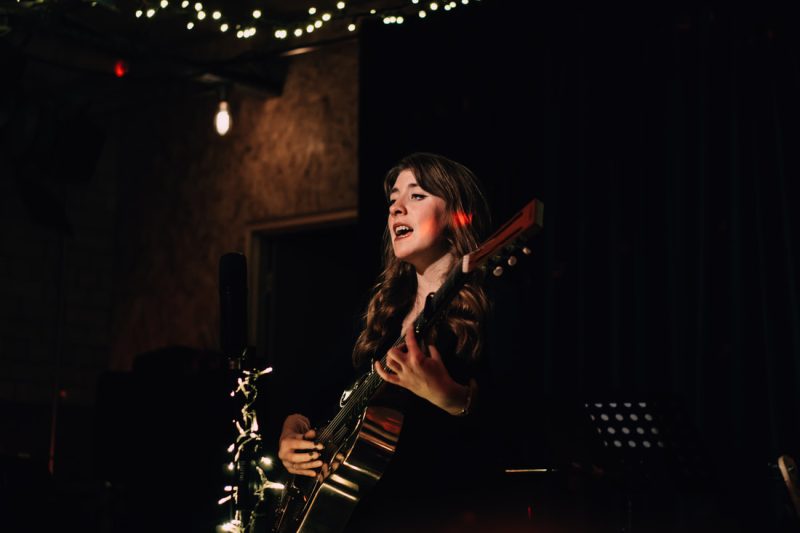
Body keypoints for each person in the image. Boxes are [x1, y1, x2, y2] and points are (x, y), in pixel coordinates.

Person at [277, 152, 496, 532]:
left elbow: (528, 422)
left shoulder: (489, 309)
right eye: (393, 199)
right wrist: (291, 428)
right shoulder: (380, 315)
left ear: (457, 213)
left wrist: (452, 398)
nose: (396, 208)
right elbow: (310, 389)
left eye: (416, 195)